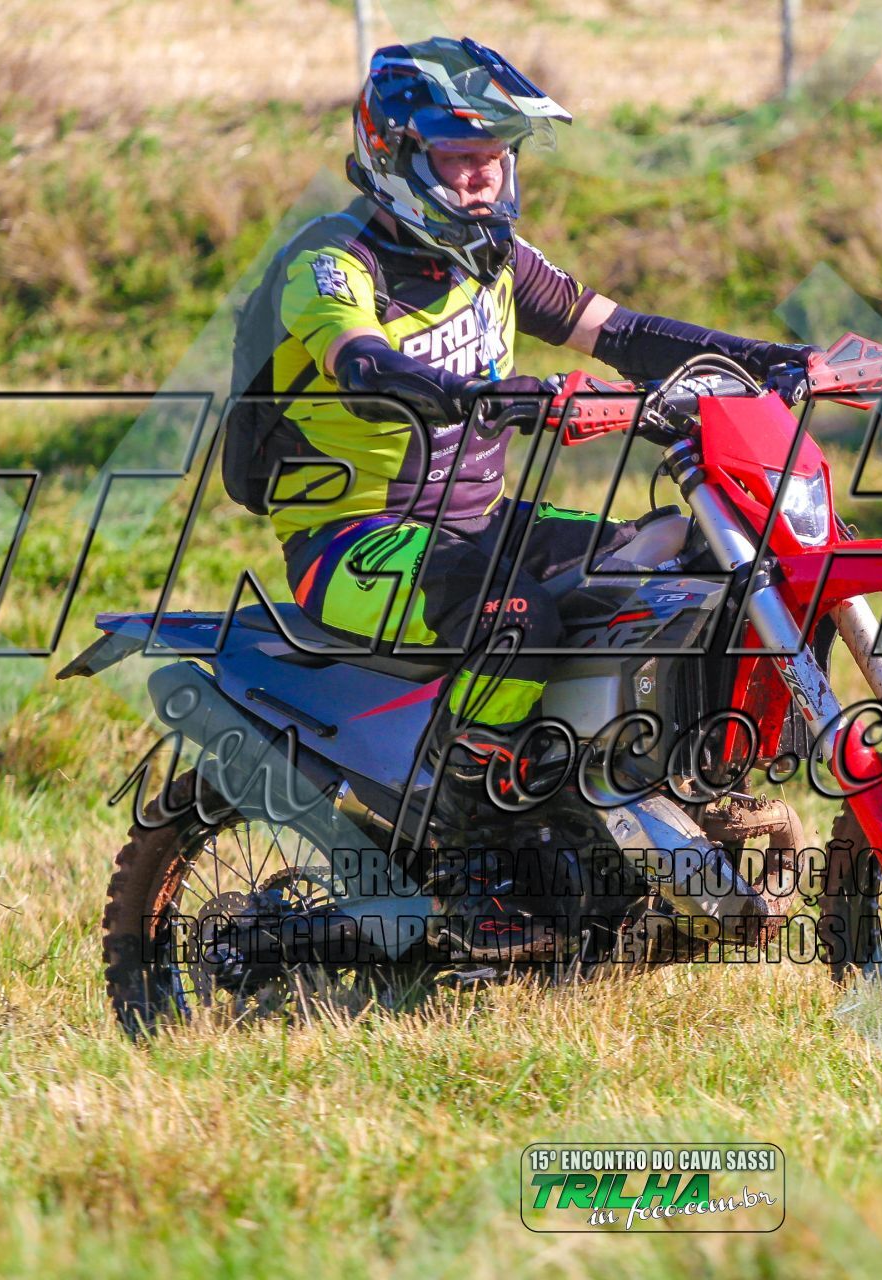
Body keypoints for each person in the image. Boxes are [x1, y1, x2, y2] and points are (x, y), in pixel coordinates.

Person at [252, 37, 813, 957]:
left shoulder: (496, 257)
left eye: (495, 156)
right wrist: (484, 395)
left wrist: (776, 362)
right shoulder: (333, 258)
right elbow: (360, 360)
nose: (482, 177)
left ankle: (678, 785)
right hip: (350, 539)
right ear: (395, 156)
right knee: (516, 612)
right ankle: (470, 856)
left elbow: (621, 331)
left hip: (475, 523)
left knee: (686, 561)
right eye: (458, 157)